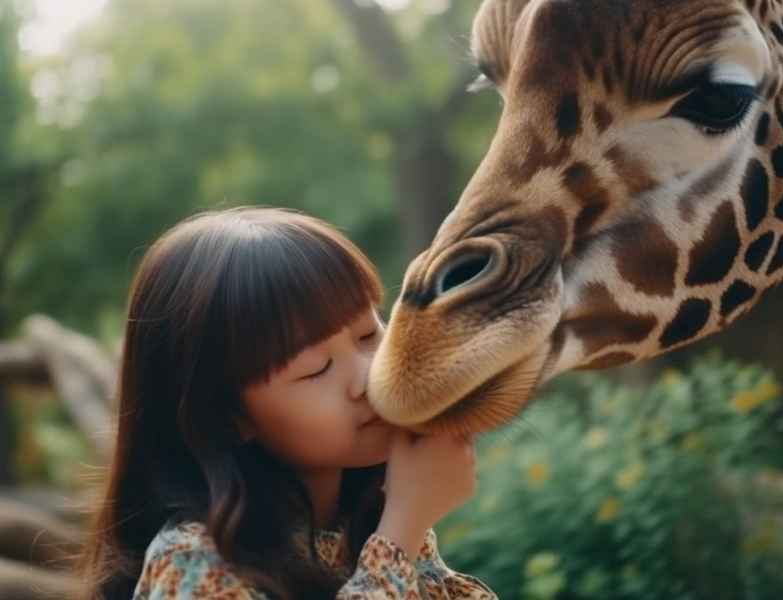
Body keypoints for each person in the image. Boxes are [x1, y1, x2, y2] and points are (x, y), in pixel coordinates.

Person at [76, 207, 497, 599]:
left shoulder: (363, 515)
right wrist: (401, 532)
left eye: (369, 335)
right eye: (317, 368)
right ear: (224, 417)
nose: (367, 377)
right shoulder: (195, 560)